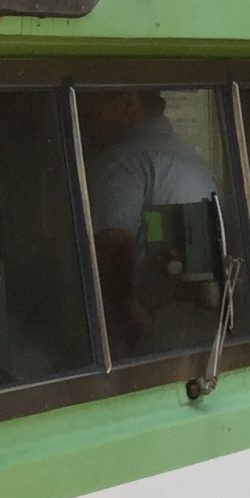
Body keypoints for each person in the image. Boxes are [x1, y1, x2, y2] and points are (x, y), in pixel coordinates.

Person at [80, 88, 222, 358]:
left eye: (91, 101)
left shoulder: (123, 161)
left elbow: (113, 249)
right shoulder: (188, 157)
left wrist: (133, 320)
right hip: (195, 325)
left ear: (127, 102)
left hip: (145, 335)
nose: (85, 114)